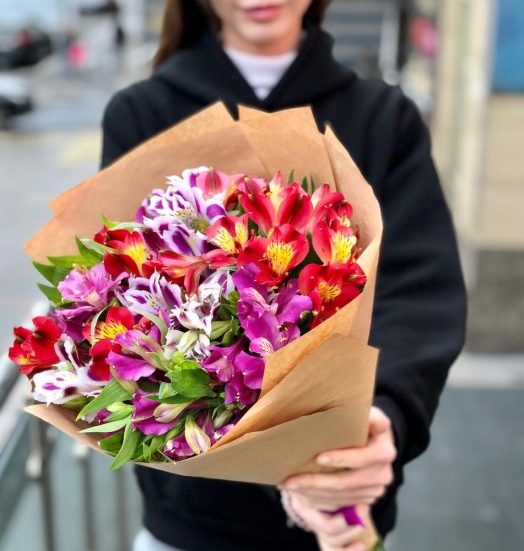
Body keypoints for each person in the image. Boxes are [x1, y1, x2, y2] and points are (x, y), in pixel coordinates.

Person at [100, 1, 467, 550]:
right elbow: (120, 291)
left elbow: (418, 295)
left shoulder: (383, 117)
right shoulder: (143, 113)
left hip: (341, 500)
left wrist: (383, 414)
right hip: (194, 520)